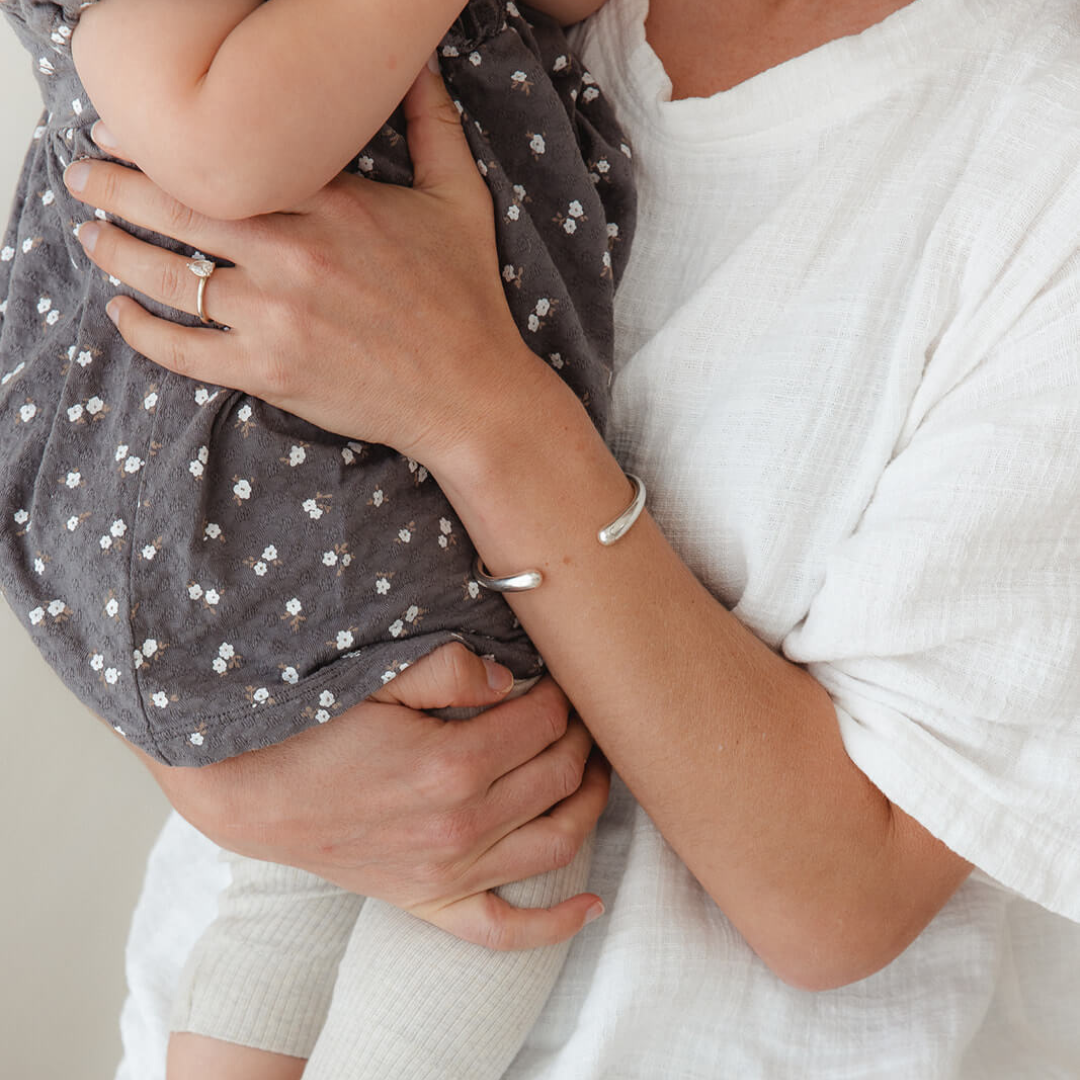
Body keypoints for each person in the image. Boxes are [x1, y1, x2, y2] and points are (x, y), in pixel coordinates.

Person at [60, 0, 1080, 1075]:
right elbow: (117, 432)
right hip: (219, 1004)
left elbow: (842, 897)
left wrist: (474, 403)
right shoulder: (382, 31)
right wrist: (214, 771)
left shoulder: (1035, 150)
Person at [0, 0, 636, 1077]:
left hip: (288, 489)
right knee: (502, 811)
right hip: (267, 481)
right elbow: (213, 138)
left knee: (291, 890)